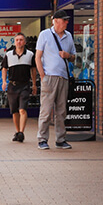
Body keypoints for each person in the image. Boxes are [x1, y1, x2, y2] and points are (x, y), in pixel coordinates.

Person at [35, 10, 76, 150]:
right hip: (49, 77)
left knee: (61, 111)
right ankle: (42, 139)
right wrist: (42, 76)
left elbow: (74, 57)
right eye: (64, 20)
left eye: (66, 20)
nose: (67, 22)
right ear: (56, 20)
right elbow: (37, 57)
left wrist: (68, 55)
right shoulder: (44, 34)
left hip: (63, 77)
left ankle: (60, 139)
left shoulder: (68, 36)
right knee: (46, 110)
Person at [0, 34, 37, 143]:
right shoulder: (8, 54)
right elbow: (4, 68)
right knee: (15, 111)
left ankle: (21, 132)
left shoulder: (30, 55)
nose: (19, 42)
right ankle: (17, 132)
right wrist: (4, 81)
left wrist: (34, 84)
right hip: (12, 85)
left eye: (21, 40)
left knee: (22, 109)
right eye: (17, 40)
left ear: (25, 42)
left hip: (25, 85)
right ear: (14, 42)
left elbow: (33, 70)